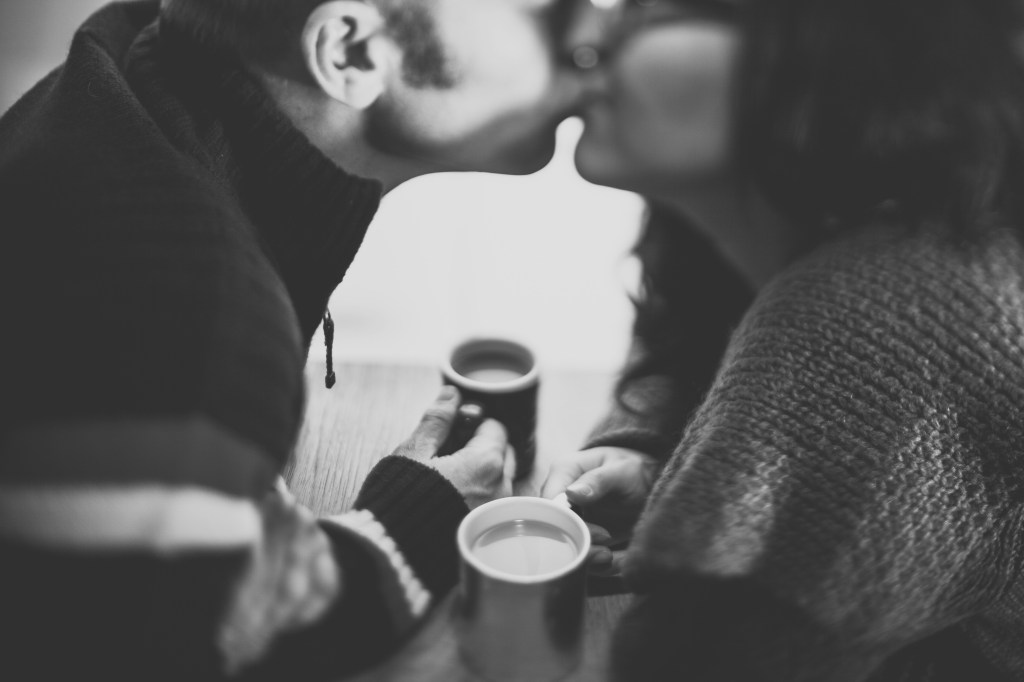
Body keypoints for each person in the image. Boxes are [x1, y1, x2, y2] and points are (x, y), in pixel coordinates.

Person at [0, 0, 584, 679]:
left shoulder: (126, 61)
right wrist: (412, 525)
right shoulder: (197, 325)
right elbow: (177, 640)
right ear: (351, 51)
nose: (587, 20)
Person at [543, 0, 1024, 679]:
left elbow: (688, 665)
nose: (591, 33)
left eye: (653, 10)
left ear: (826, 41)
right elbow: (683, 335)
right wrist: (649, 443)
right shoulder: (785, 221)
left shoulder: (883, 315)